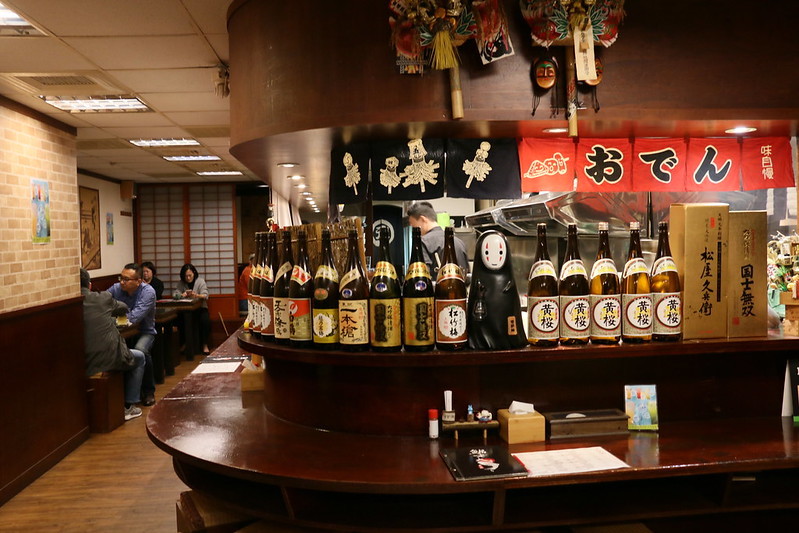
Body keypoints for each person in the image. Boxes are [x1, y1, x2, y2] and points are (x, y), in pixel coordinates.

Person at [80, 268, 146, 421]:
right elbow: (123, 307)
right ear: (90, 285)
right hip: (106, 357)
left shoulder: (70, 302)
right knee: (140, 357)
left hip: (81, 358)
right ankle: (129, 406)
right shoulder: (103, 297)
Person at [107, 263, 157, 406]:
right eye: (121, 278)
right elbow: (101, 303)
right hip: (122, 332)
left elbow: (135, 317)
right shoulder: (116, 288)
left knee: (141, 350)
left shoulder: (148, 292)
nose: (122, 282)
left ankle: (148, 391)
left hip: (145, 331)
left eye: (126, 279)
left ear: (138, 281)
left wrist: (114, 318)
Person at [407, 201, 470, 276]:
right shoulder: (459, 242)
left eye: (412, 224)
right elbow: (467, 273)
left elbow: (422, 277)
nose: (412, 227)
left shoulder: (423, 242)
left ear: (422, 219)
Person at [177, 263, 211, 355]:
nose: (188, 278)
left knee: (205, 320)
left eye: (190, 275)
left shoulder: (200, 281)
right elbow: (175, 295)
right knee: (179, 320)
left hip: (200, 308)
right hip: (186, 309)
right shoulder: (181, 283)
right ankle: (185, 343)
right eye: (186, 276)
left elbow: (206, 295)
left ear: (194, 273)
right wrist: (182, 295)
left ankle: (205, 344)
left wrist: (196, 295)